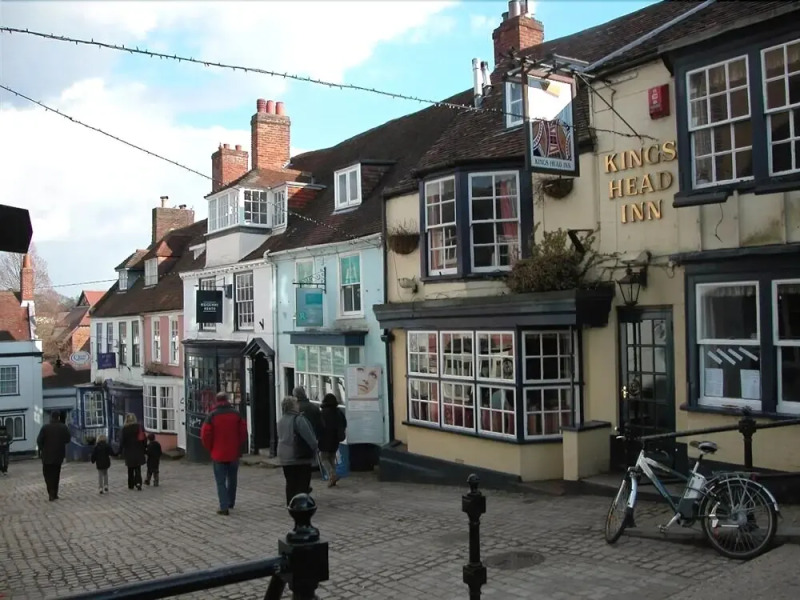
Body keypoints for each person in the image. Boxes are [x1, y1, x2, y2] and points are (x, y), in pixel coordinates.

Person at [200, 392, 247, 516]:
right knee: (232, 479)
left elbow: (205, 435)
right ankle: (231, 501)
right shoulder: (236, 414)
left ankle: (223, 506)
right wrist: (238, 445)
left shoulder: (212, 415)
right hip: (233, 452)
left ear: (216, 400)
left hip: (218, 453)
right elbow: (243, 432)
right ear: (227, 400)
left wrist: (211, 448)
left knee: (220, 481)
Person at [277, 396, 318, 505]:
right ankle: (301, 506)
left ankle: (290, 504)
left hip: (285, 457)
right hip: (299, 457)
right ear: (293, 406)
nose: (298, 405)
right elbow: (310, 437)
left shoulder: (281, 421)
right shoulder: (299, 419)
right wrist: (315, 447)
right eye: (296, 403)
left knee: (290, 483)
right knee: (302, 483)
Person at [36, 411, 71, 501]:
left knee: (47, 474)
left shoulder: (45, 428)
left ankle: (51, 491)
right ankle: (54, 493)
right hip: (58, 455)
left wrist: (42, 448)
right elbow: (68, 439)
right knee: (56, 474)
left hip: (47, 455)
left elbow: (39, 440)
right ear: (58, 417)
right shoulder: (63, 427)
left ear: (51, 417)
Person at [319, 393, 347, 487]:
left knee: (323, 458)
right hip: (335, 439)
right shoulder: (338, 412)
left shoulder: (322, 413)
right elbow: (344, 423)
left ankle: (332, 474)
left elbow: (319, 426)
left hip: (324, 439)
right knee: (331, 458)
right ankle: (333, 478)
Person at [119, 413, 146, 491]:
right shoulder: (139, 427)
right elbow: (143, 439)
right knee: (138, 468)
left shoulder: (124, 429)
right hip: (138, 450)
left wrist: (120, 451)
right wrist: (144, 449)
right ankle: (138, 483)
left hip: (129, 451)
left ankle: (131, 484)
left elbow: (122, 442)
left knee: (130, 469)